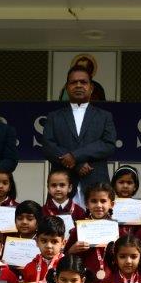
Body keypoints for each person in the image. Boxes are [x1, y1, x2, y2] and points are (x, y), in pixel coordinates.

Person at [41, 67, 117, 202]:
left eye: (83, 82)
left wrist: (74, 156)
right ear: (67, 87)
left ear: (91, 87)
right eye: (73, 82)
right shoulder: (54, 117)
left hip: (96, 186)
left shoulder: (104, 116)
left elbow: (108, 144)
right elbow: (48, 146)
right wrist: (77, 165)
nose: (78, 85)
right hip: (63, 186)